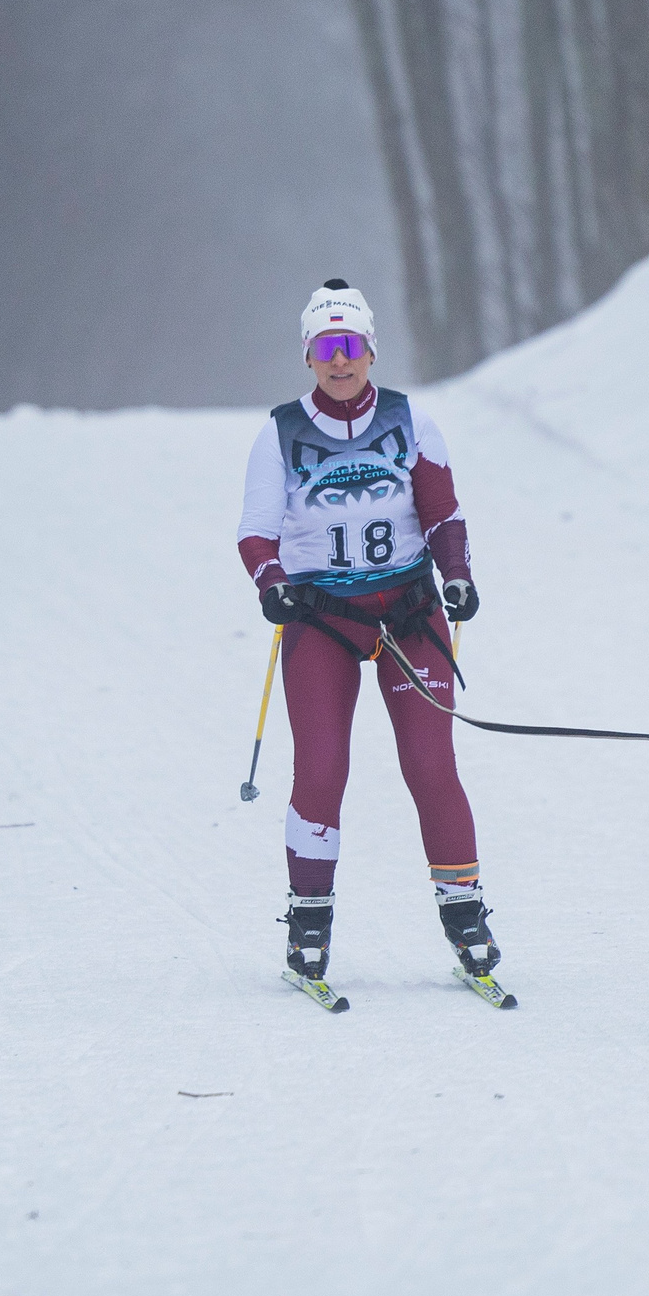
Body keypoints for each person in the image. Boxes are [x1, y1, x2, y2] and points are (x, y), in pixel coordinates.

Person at [235, 279, 497, 987]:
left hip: (409, 614)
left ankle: (466, 916)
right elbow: (255, 535)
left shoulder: (412, 421)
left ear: (371, 349)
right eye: (326, 348)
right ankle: (308, 921)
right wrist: (274, 586)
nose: (340, 361)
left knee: (430, 766)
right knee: (321, 769)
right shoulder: (281, 431)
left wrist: (457, 575)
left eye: (351, 346)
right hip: (322, 620)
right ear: (309, 356)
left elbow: (444, 516)